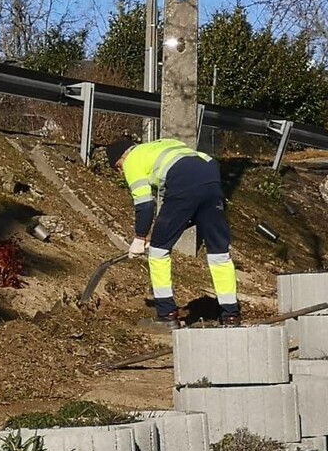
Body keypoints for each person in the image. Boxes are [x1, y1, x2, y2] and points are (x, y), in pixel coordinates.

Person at [104, 135, 242, 329]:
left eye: (118, 167)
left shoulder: (132, 160)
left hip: (182, 181)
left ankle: (166, 316)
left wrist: (140, 237)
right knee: (219, 253)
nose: (121, 172)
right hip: (210, 177)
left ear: (121, 158)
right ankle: (230, 316)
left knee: (158, 252)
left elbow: (145, 203)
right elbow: (191, 199)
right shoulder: (162, 145)